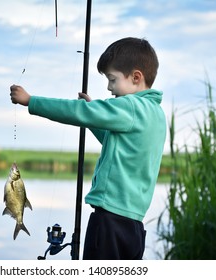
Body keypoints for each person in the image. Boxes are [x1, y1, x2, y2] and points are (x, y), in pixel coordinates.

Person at [10, 37, 166, 260]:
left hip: (109, 221)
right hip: (133, 226)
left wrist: (31, 101)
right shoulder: (156, 114)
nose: (109, 88)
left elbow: (77, 112)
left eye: (112, 80)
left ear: (136, 77)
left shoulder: (130, 106)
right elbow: (117, 142)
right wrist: (94, 116)